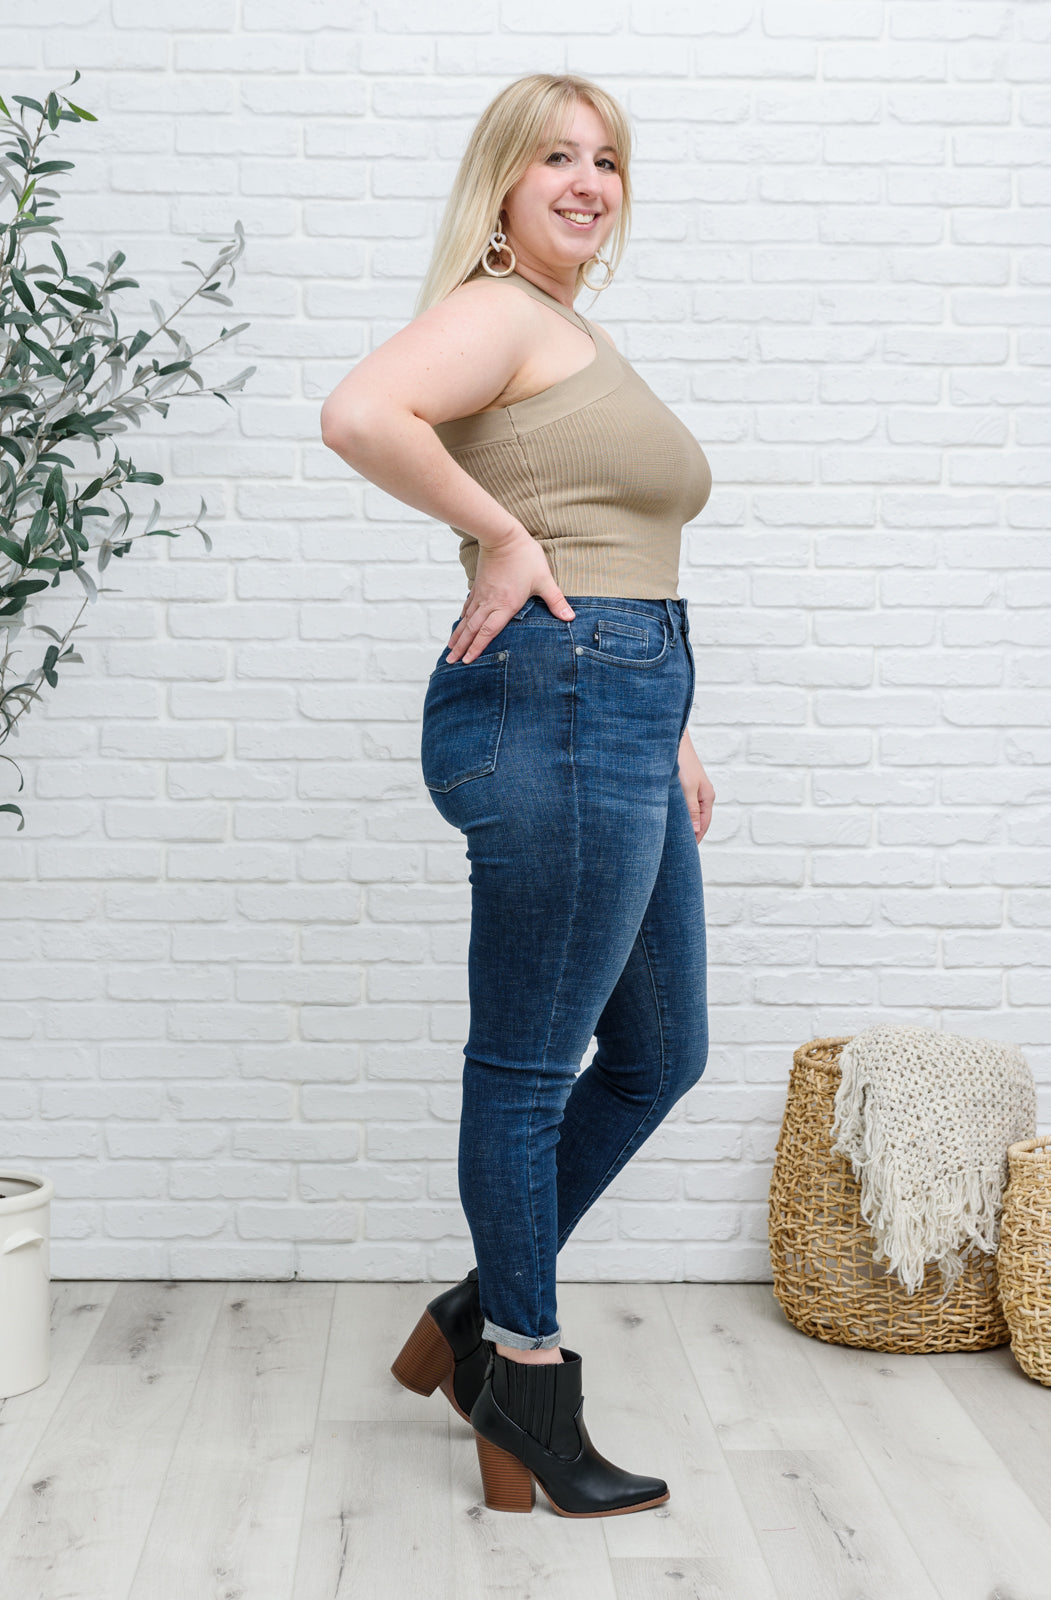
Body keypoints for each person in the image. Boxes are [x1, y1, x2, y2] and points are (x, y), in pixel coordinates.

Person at [321, 72, 715, 1519]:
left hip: (621, 701)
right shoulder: (496, 310)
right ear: (501, 184)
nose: (586, 180)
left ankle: (474, 1312)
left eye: (606, 158)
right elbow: (361, 412)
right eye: (554, 156)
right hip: (559, 701)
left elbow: (611, 544)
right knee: (531, 1067)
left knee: (660, 1053)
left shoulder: (571, 330)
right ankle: (524, 1380)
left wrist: (670, 727)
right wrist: (495, 535)